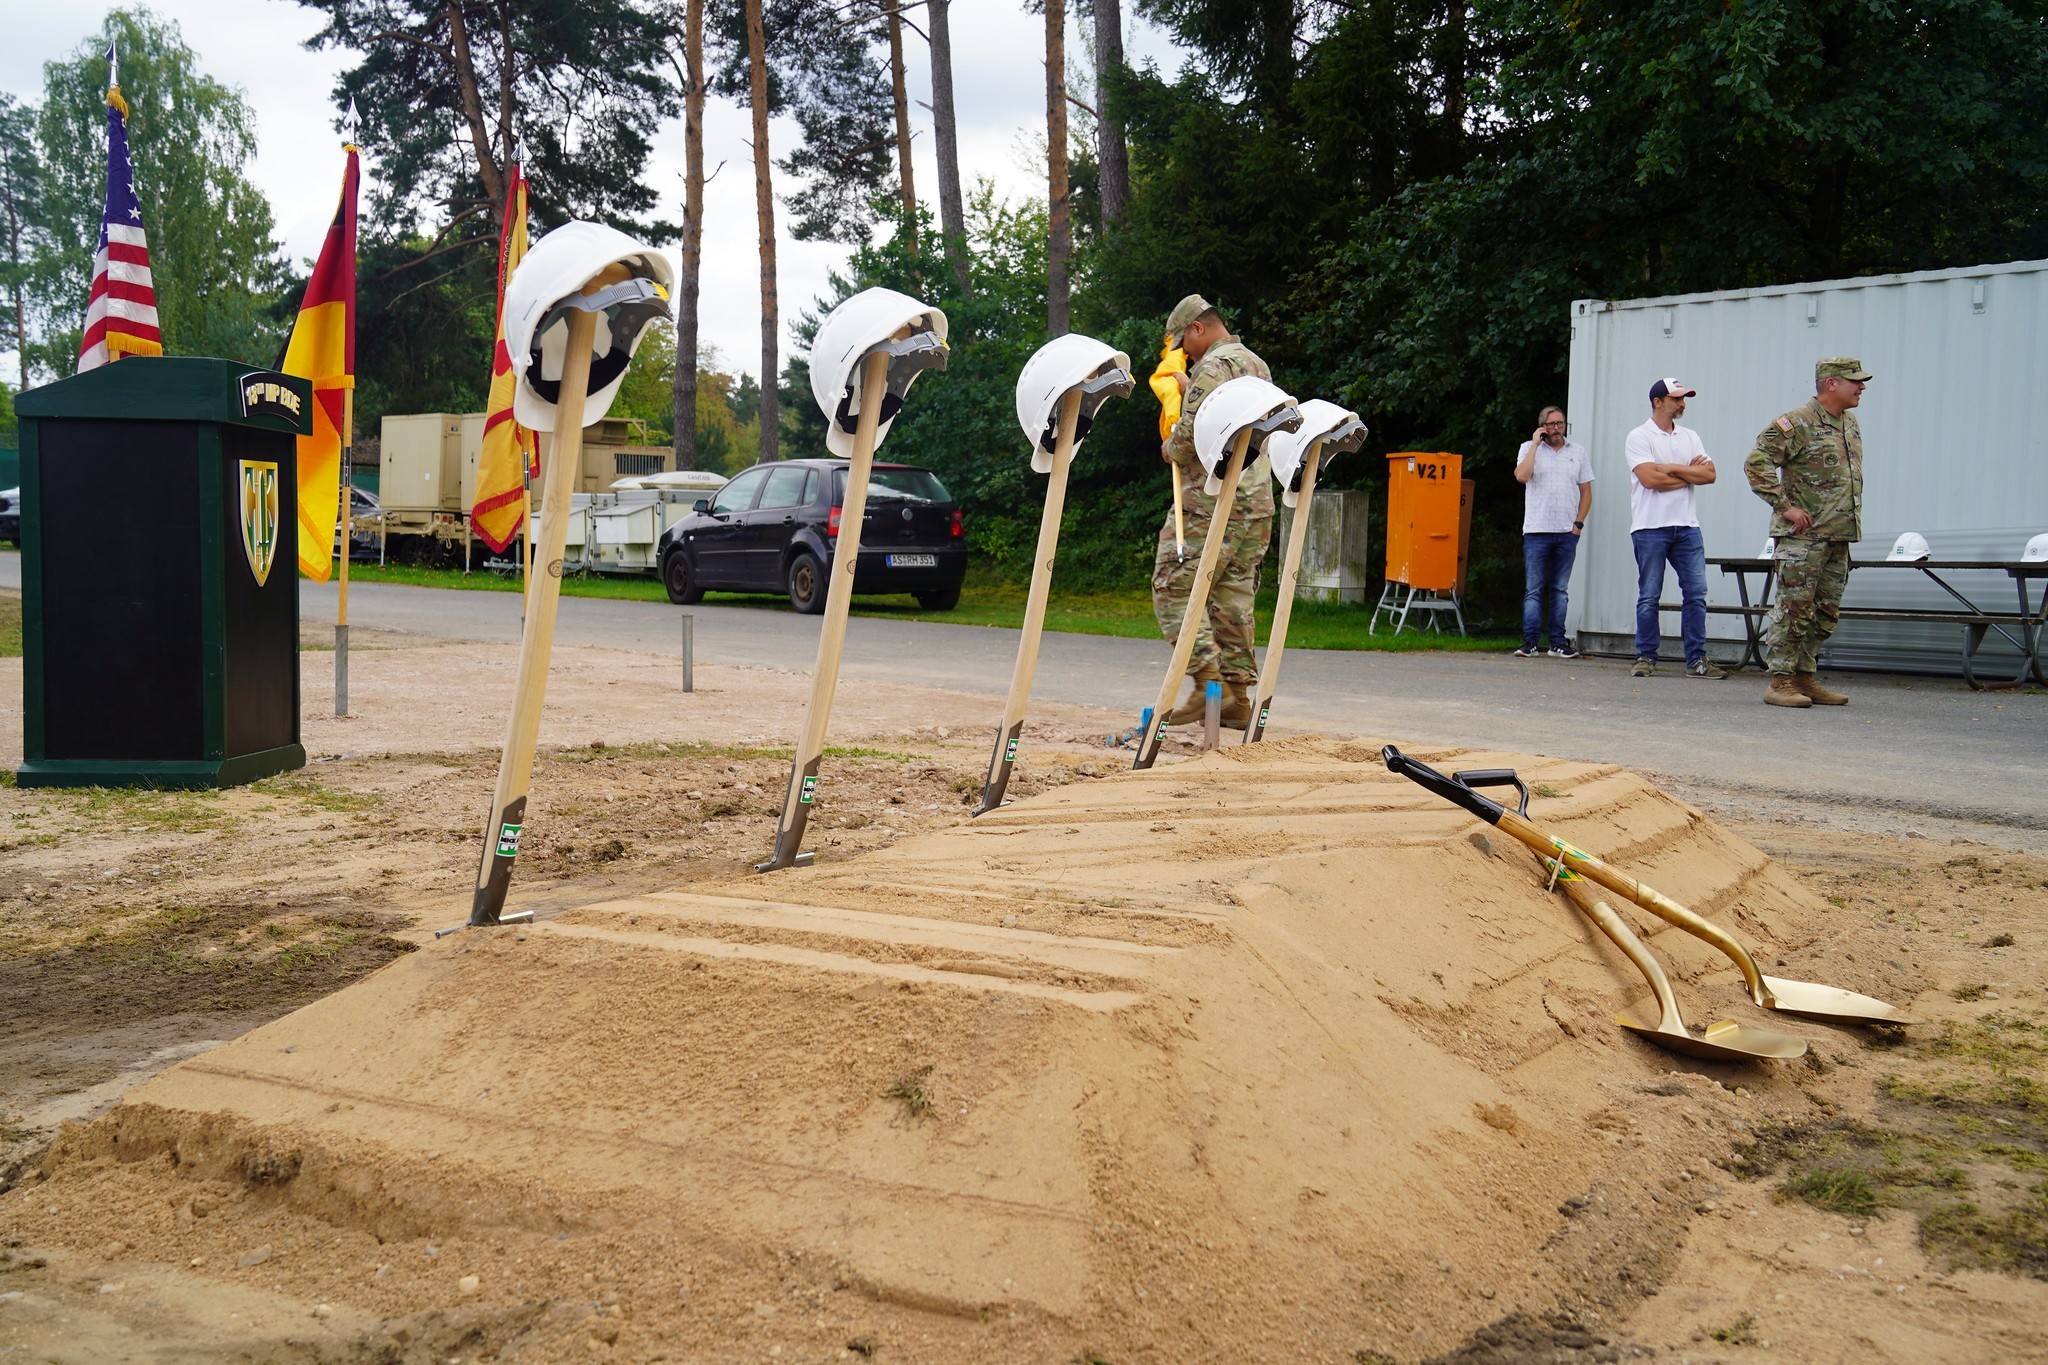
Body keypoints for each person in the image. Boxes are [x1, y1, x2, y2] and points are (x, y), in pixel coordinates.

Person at [1152, 294, 1273, 727]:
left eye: (1185, 342)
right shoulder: (1255, 365)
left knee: (1172, 584)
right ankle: (1238, 699)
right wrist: (1189, 394)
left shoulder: (1211, 367)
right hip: (1257, 499)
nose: (1184, 354)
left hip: (1212, 498)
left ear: (1198, 327)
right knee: (1232, 596)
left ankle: (1206, 683)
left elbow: (1187, 441)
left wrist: (1169, 444)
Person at [1743, 357, 1871, 708]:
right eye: (1854, 381)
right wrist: (1785, 507)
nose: (1861, 387)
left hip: (1838, 535)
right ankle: (1780, 681)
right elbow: (1756, 463)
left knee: (1825, 612)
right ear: (1831, 383)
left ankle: (1803, 676)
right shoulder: (1797, 423)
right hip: (1803, 540)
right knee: (1794, 609)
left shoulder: (1850, 423)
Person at [1625, 378, 1726, 679]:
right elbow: (1649, 480)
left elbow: (1710, 474)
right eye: (1676, 399)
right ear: (1658, 401)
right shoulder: (1639, 436)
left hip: (1687, 526)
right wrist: (1688, 475)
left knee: (1696, 593)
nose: (1682, 404)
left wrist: (1669, 467)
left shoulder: (1690, 436)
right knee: (1650, 595)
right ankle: (1645, 657)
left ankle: (1696, 660)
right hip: (1650, 526)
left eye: (1683, 399)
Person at [1512, 405, 1593, 658]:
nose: (1556, 429)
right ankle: (1531, 643)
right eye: (1551, 424)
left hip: (1566, 532)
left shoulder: (1577, 452)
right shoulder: (1528, 448)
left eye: (1560, 423)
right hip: (1536, 530)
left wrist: (1577, 525)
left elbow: (1586, 492)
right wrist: (1536, 446)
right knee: (1534, 589)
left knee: (1560, 589)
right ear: (1541, 427)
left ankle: (1558, 642)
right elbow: (1521, 477)